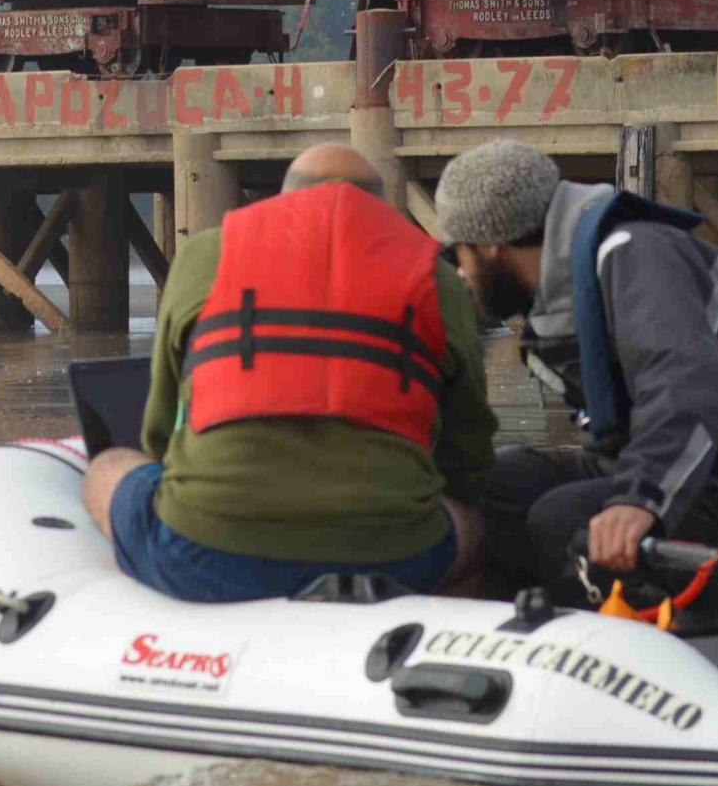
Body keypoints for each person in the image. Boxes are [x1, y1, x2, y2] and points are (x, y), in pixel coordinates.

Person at [430, 139, 718, 605]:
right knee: (493, 485)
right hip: (700, 470)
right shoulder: (571, 279)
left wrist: (638, 499)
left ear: (488, 246)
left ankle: (603, 652)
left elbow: (684, 381)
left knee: (563, 518)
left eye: (459, 255)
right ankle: (513, 633)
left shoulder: (636, 253)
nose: (460, 275)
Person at [81, 143, 498, 601]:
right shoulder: (437, 279)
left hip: (202, 555)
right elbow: (468, 453)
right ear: (382, 208)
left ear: (283, 199)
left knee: (106, 467)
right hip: (396, 558)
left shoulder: (204, 255)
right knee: (475, 526)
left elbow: (159, 432)